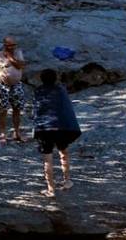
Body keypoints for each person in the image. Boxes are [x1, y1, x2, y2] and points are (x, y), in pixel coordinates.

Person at [30, 69, 80, 198]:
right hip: (62, 126)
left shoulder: (38, 91)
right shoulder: (61, 89)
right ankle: (67, 180)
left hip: (44, 128)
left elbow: (36, 110)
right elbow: (66, 108)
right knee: (64, 152)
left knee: (48, 159)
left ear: (41, 79)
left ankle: (51, 189)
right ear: (55, 78)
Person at [0, 36, 30, 144]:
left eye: (13, 45)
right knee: (3, 110)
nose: (12, 47)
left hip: (16, 85)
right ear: (5, 45)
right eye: (9, 45)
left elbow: (21, 66)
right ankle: (2, 134)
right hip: (2, 86)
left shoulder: (18, 53)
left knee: (17, 109)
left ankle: (17, 132)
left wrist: (10, 57)